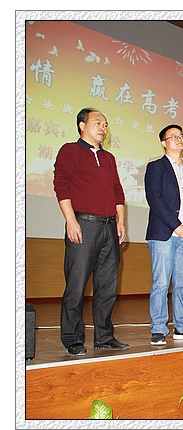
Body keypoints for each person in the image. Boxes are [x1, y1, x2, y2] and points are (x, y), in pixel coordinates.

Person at [53, 107, 129, 355]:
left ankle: (104, 337)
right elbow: (61, 184)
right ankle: (73, 339)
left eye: (105, 124)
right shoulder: (70, 150)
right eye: (98, 123)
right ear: (82, 125)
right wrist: (71, 220)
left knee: (107, 286)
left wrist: (120, 221)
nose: (103, 128)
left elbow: (117, 191)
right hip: (83, 225)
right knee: (76, 286)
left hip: (109, 227)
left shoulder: (109, 158)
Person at [145, 124, 183, 346]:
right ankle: (158, 328)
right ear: (164, 143)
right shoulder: (156, 167)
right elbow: (155, 199)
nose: (179, 139)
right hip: (164, 233)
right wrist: (176, 225)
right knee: (161, 282)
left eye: (181, 136)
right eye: (173, 137)